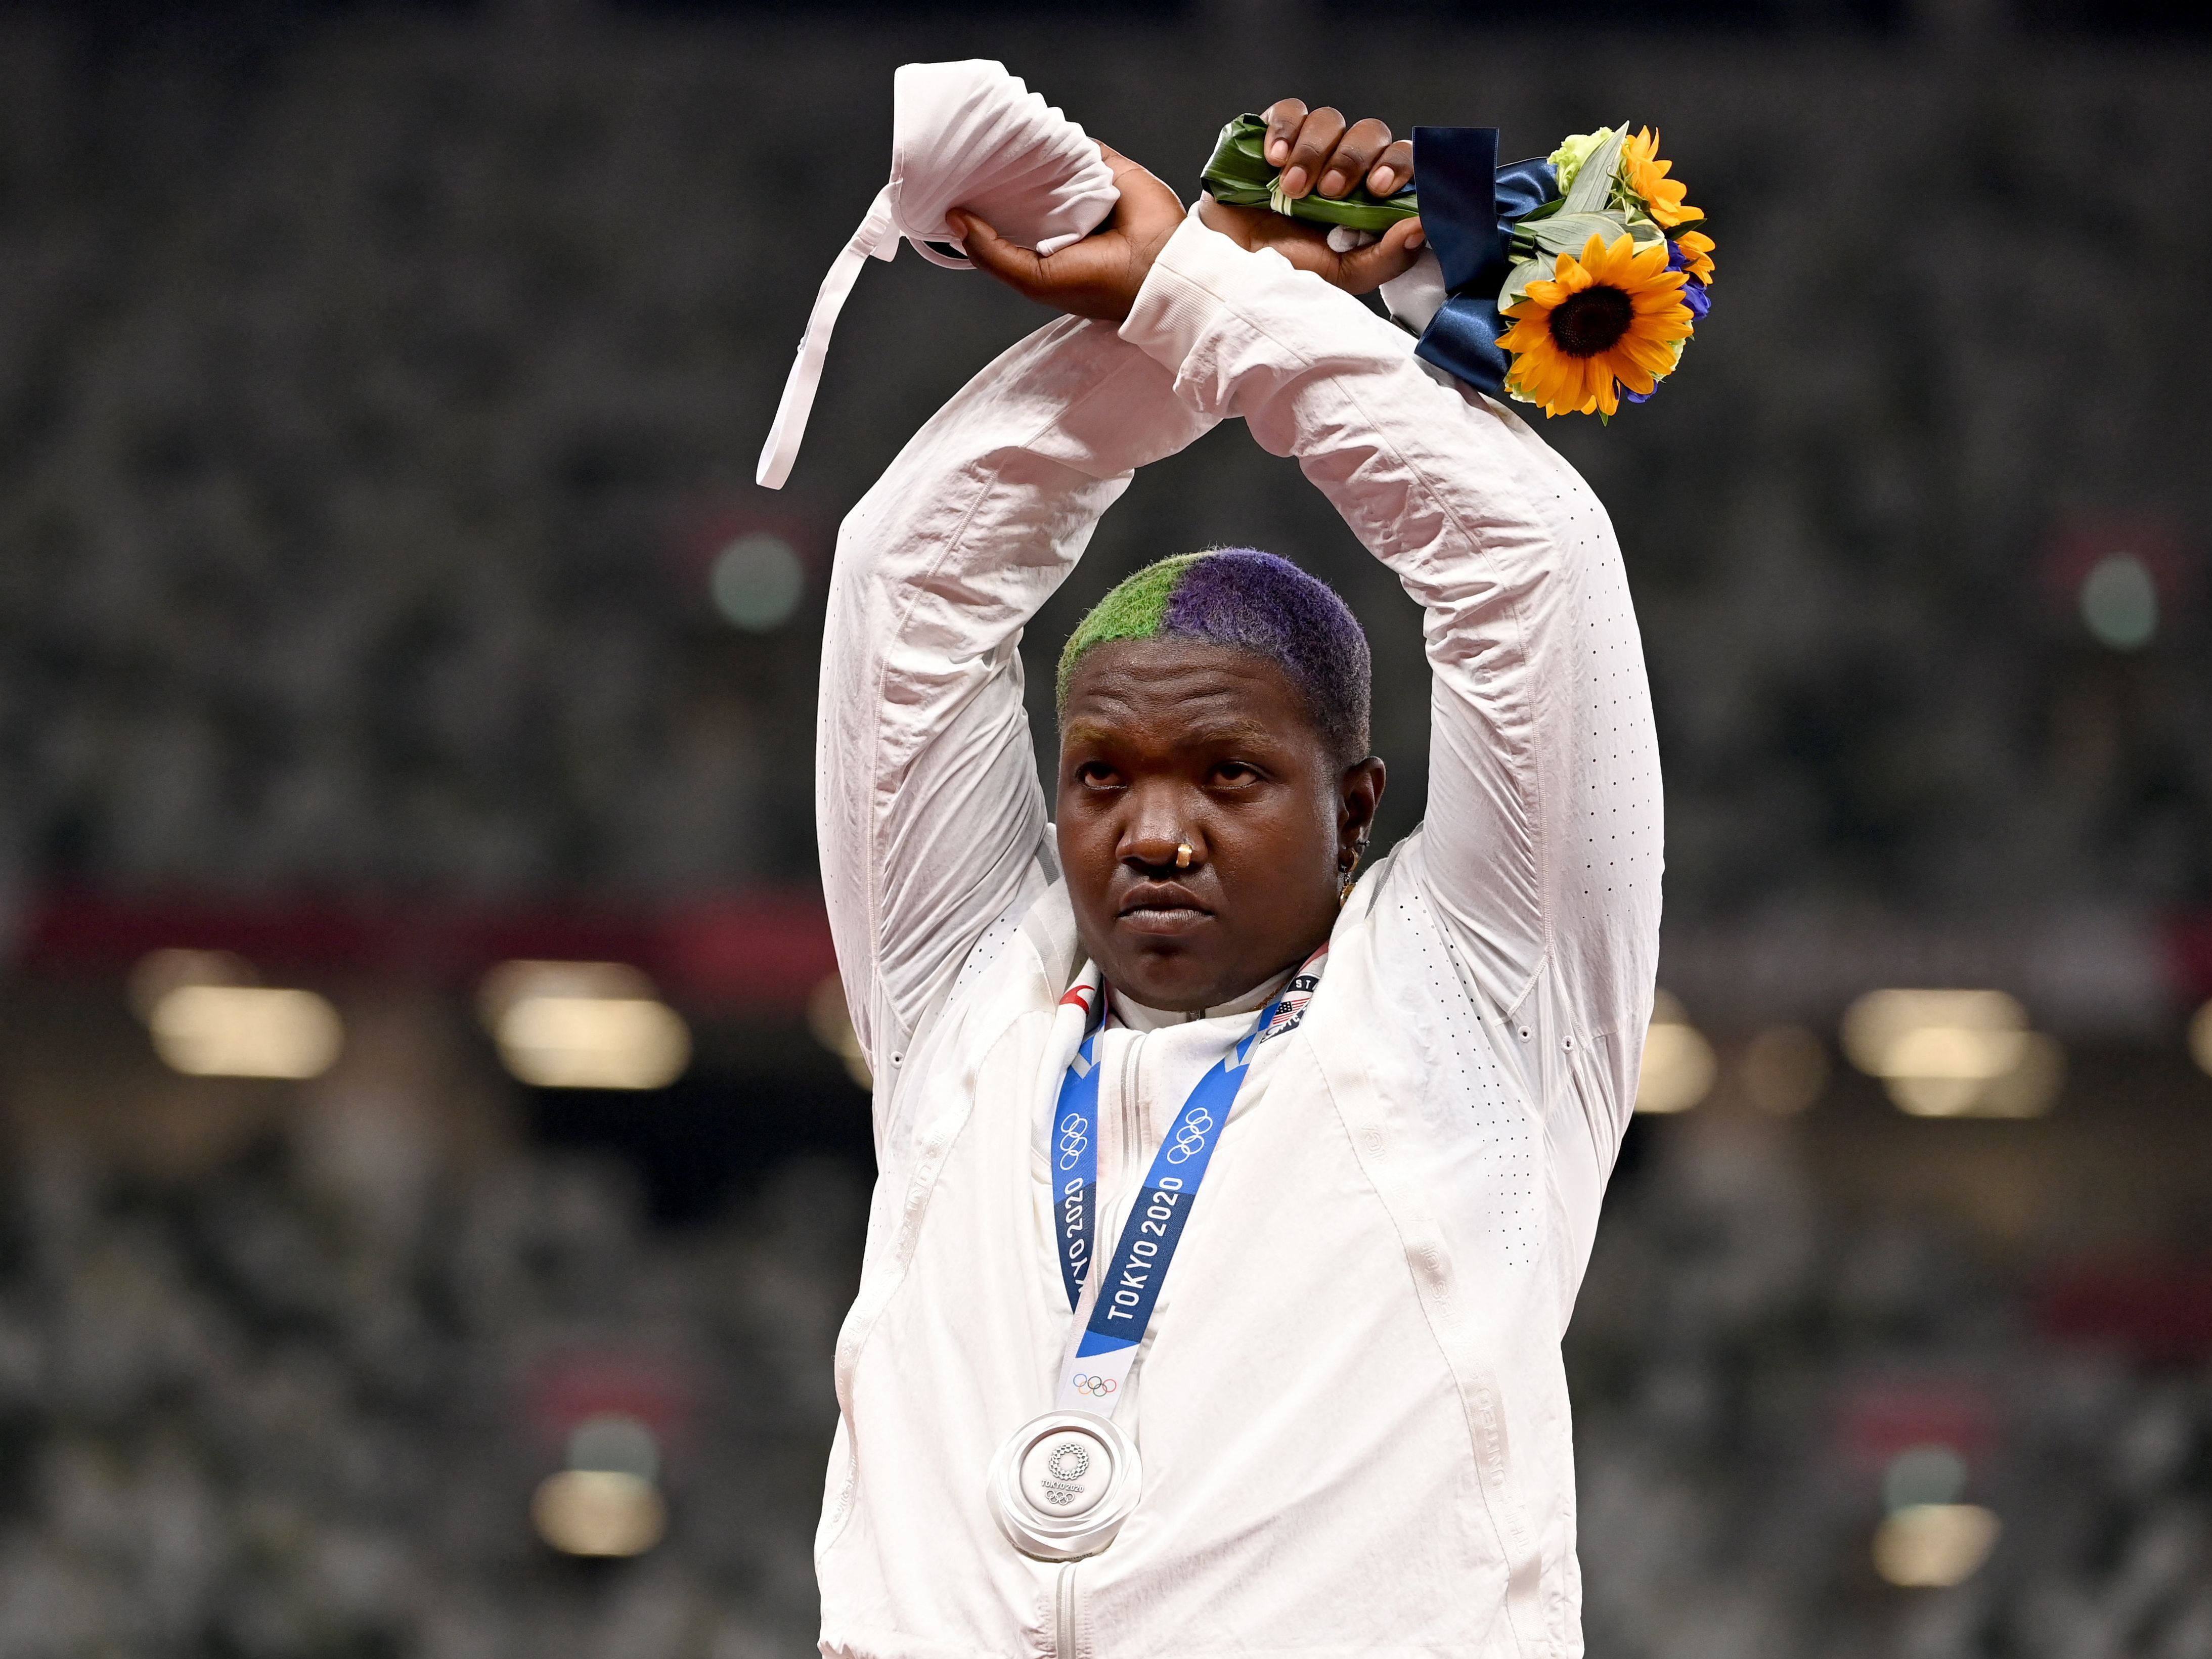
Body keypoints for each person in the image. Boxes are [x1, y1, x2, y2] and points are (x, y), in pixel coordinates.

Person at [814, 97, 1662, 1659]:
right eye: (1101, 777)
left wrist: (1206, 305)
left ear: (1355, 810)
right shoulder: (962, 999)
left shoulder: (1477, 1004)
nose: (1153, 834)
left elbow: (1526, 566)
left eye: (1230, 776)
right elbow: (912, 577)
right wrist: (1208, 286)